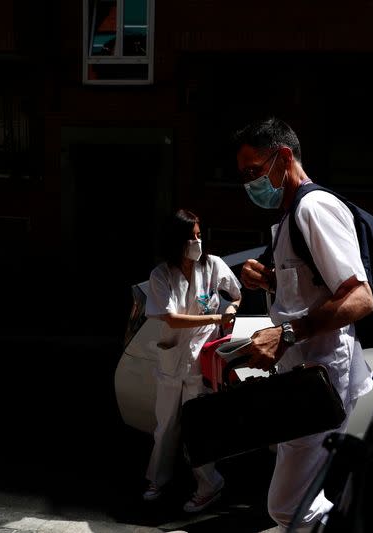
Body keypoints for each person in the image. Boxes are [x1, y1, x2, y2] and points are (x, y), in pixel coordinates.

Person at [234, 117, 373, 531]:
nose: (248, 183)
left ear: (284, 157)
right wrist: (272, 280)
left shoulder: (315, 207)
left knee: (287, 507)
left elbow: (359, 297)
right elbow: (317, 288)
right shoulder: (292, 215)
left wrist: (287, 333)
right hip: (302, 380)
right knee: (300, 500)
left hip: (321, 381)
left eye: (253, 171)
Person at [142, 208, 242, 513]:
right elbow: (171, 318)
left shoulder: (212, 266)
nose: (197, 242)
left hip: (202, 359)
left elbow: (236, 295)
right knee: (166, 426)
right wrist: (215, 314)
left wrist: (231, 311)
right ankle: (158, 480)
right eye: (191, 237)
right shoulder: (162, 275)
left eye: (199, 235)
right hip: (174, 358)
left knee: (198, 427)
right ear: (176, 240)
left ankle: (209, 485)